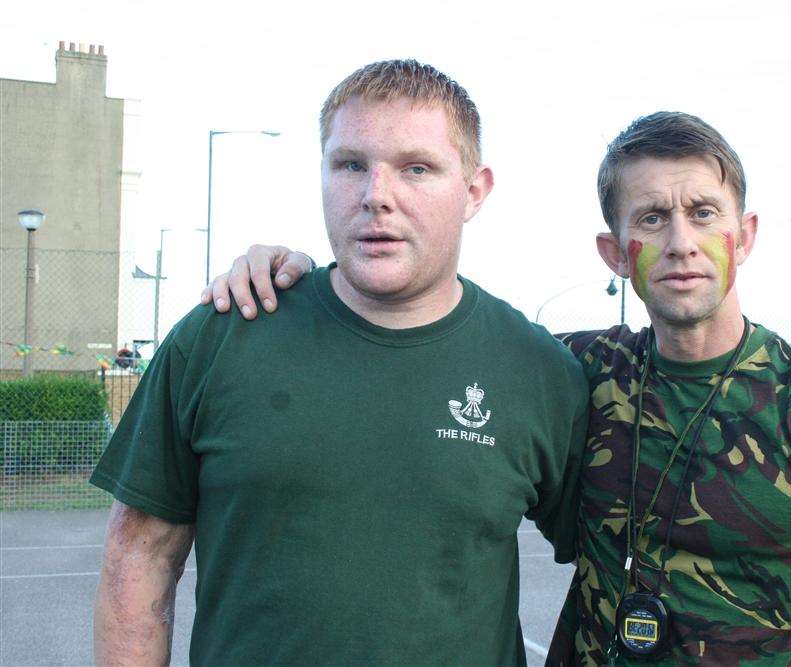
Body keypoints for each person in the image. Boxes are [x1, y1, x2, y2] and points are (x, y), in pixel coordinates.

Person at [213, 112, 791, 664]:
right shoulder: (569, 373)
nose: (679, 241)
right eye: (651, 217)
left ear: (746, 234)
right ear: (614, 251)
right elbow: (428, 328)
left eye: (704, 212)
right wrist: (300, 277)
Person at [91, 60, 592, 665]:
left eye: (417, 168)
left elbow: (616, 563)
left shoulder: (538, 369)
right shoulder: (221, 335)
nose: (377, 195)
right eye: (351, 164)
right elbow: (138, 557)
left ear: (474, 190)